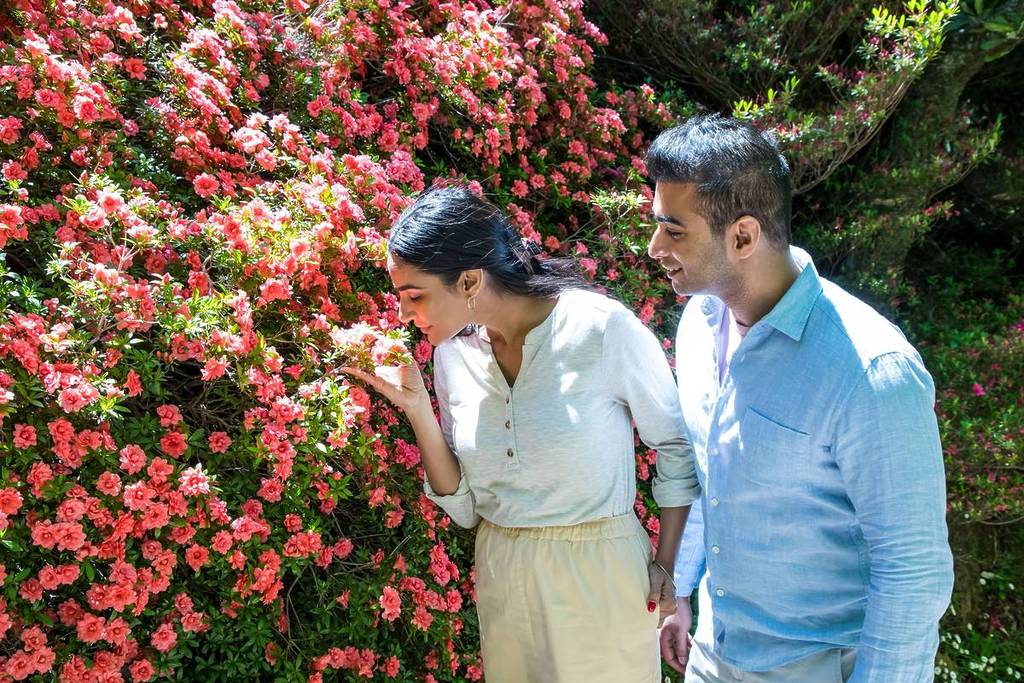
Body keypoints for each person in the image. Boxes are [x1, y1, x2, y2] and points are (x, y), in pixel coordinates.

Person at [343, 186, 699, 682]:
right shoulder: (452, 355)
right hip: (504, 575)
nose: (403, 315)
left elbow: (676, 444)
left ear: (469, 280)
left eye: (414, 296)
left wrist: (667, 563)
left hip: (600, 576)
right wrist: (418, 408)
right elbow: (466, 509)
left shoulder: (599, 329)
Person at [645, 115, 954, 682]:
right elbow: (708, 472)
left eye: (674, 229)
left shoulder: (870, 371)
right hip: (715, 653)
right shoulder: (698, 321)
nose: (653, 245)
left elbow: (912, 571)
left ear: (743, 236)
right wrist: (683, 588)